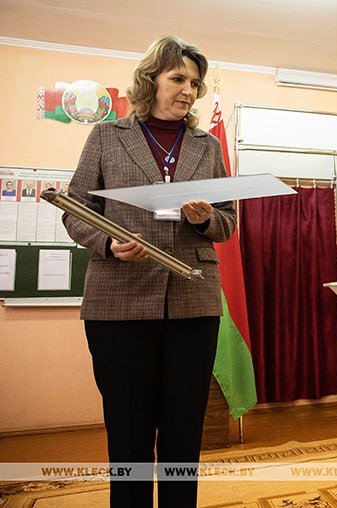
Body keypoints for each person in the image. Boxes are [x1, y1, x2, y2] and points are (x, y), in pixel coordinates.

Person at [63, 35, 236, 508]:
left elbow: (228, 222)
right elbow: (75, 210)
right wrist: (108, 243)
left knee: (183, 429)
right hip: (117, 303)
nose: (188, 91)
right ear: (150, 80)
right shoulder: (106, 136)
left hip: (192, 303)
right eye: (178, 78)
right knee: (128, 430)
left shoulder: (207, 146)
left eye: (195, 83)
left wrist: (205, 218)